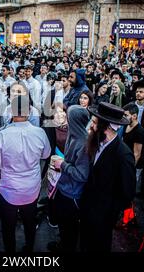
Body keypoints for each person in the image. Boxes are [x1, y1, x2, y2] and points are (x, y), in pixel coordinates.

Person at [0, 95, 51, 252]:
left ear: (11, 112)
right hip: (31, 189)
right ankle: (29, 248)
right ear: (29, 112)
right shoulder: (40, 133)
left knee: (8, 227)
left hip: (9, 190)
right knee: (29, 223)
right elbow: (46, 155)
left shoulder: (1, 136)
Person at [80, 102, 136, 252]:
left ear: (107, 127)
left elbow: (127, 192)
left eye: (94, 122)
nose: (90, 126)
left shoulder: (123, 155)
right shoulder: (98, 141)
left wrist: (109, 213)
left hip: (103, 217)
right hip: (87, 209)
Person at [49, 105, 90, 252]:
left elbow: (82, 175)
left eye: (69, 116)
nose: (65, 117)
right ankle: (62, 243)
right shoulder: (73, 135)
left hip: (72, 194)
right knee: (62, 222)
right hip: (63, 187)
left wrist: (63, 165)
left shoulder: (84, 143)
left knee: (70, 228)